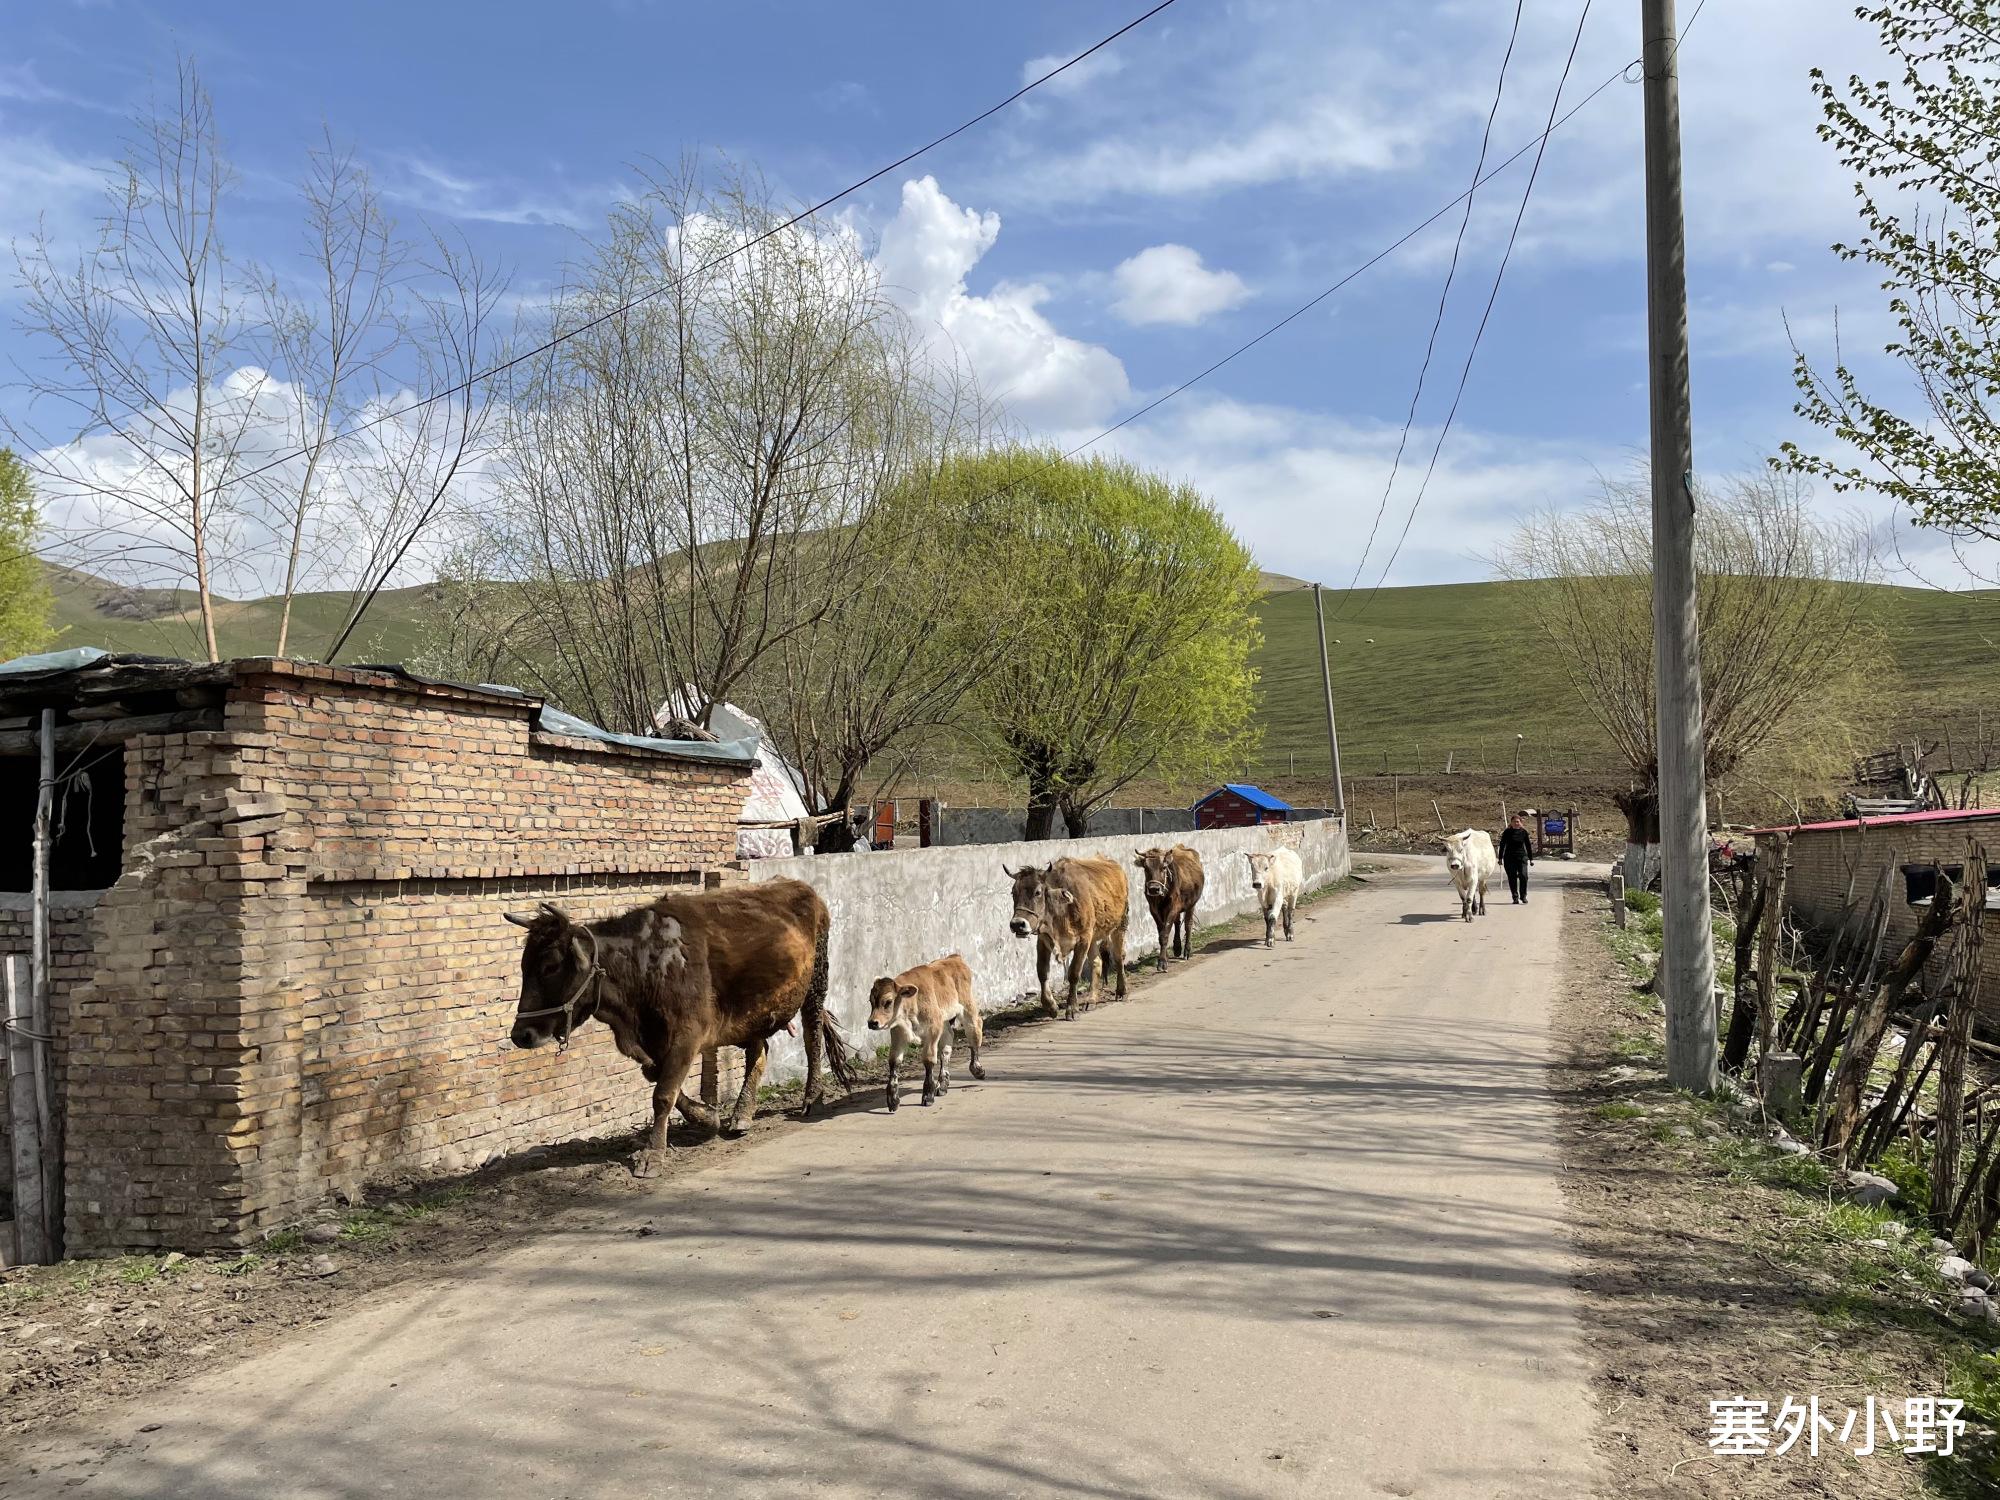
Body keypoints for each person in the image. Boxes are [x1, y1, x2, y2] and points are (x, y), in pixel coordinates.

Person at [1498, 814, 1535, 904]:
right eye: (1514, 822)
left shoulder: (1524, 832)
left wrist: (1531, 858)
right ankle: (1515, 897)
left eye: (1518, 822)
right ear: (1511, 823)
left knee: (1523, 876)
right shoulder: (1507, 832)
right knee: (1512, 877)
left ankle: (1523, 896)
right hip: (1509, 858)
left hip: (1521, 857)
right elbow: (1502, 845)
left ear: (1520, 823)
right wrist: (1500, 858)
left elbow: (1528, 845)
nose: (1516, 823)